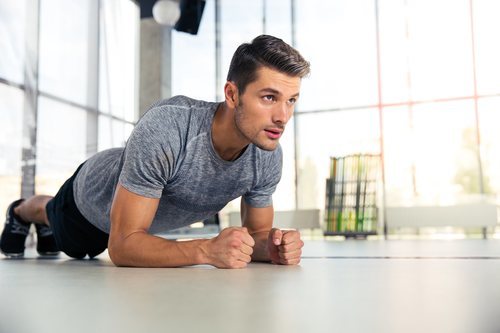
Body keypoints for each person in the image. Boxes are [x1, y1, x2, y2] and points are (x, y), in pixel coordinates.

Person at [0, 35, 310, 268]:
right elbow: (121, 246)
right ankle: (20, 210)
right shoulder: (170, 127)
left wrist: (272, 246)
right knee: (57, 221)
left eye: (291, 100)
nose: (283, 116)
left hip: (135, 228)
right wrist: (205, 249)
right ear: (232, 93)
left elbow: (256, 235)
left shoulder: (267, 153)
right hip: (90, 202)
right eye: (269, 97)